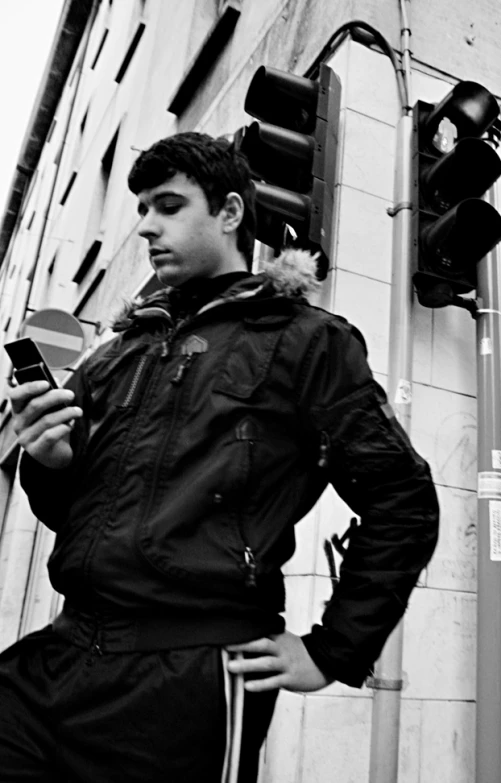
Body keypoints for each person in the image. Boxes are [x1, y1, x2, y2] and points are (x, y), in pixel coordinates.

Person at [1, 132, 439, 782]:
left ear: (230, 212)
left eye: (168, 205)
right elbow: (76, 515)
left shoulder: (306, 341)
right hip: (60, 657)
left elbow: (403, 499)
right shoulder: (115, 354)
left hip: (188, 676)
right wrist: (51, 461)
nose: (146, 226)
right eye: (142, 208)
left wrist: (332, 649)